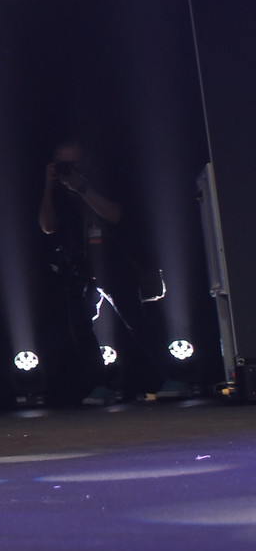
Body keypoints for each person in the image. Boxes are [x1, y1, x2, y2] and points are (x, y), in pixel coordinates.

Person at [39, 139, 162, 405]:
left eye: (72, 164)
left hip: (112, 263)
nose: (68, 169)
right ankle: (99, 384)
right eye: (62, 164)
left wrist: (81, 187)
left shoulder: (101, 182)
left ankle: (170, 377)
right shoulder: (59, 192)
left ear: (85, 163)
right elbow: (47, 226)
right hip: (79, 267)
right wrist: (49, 185)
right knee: (80, 328)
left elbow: (114, 215)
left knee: (135, 321)